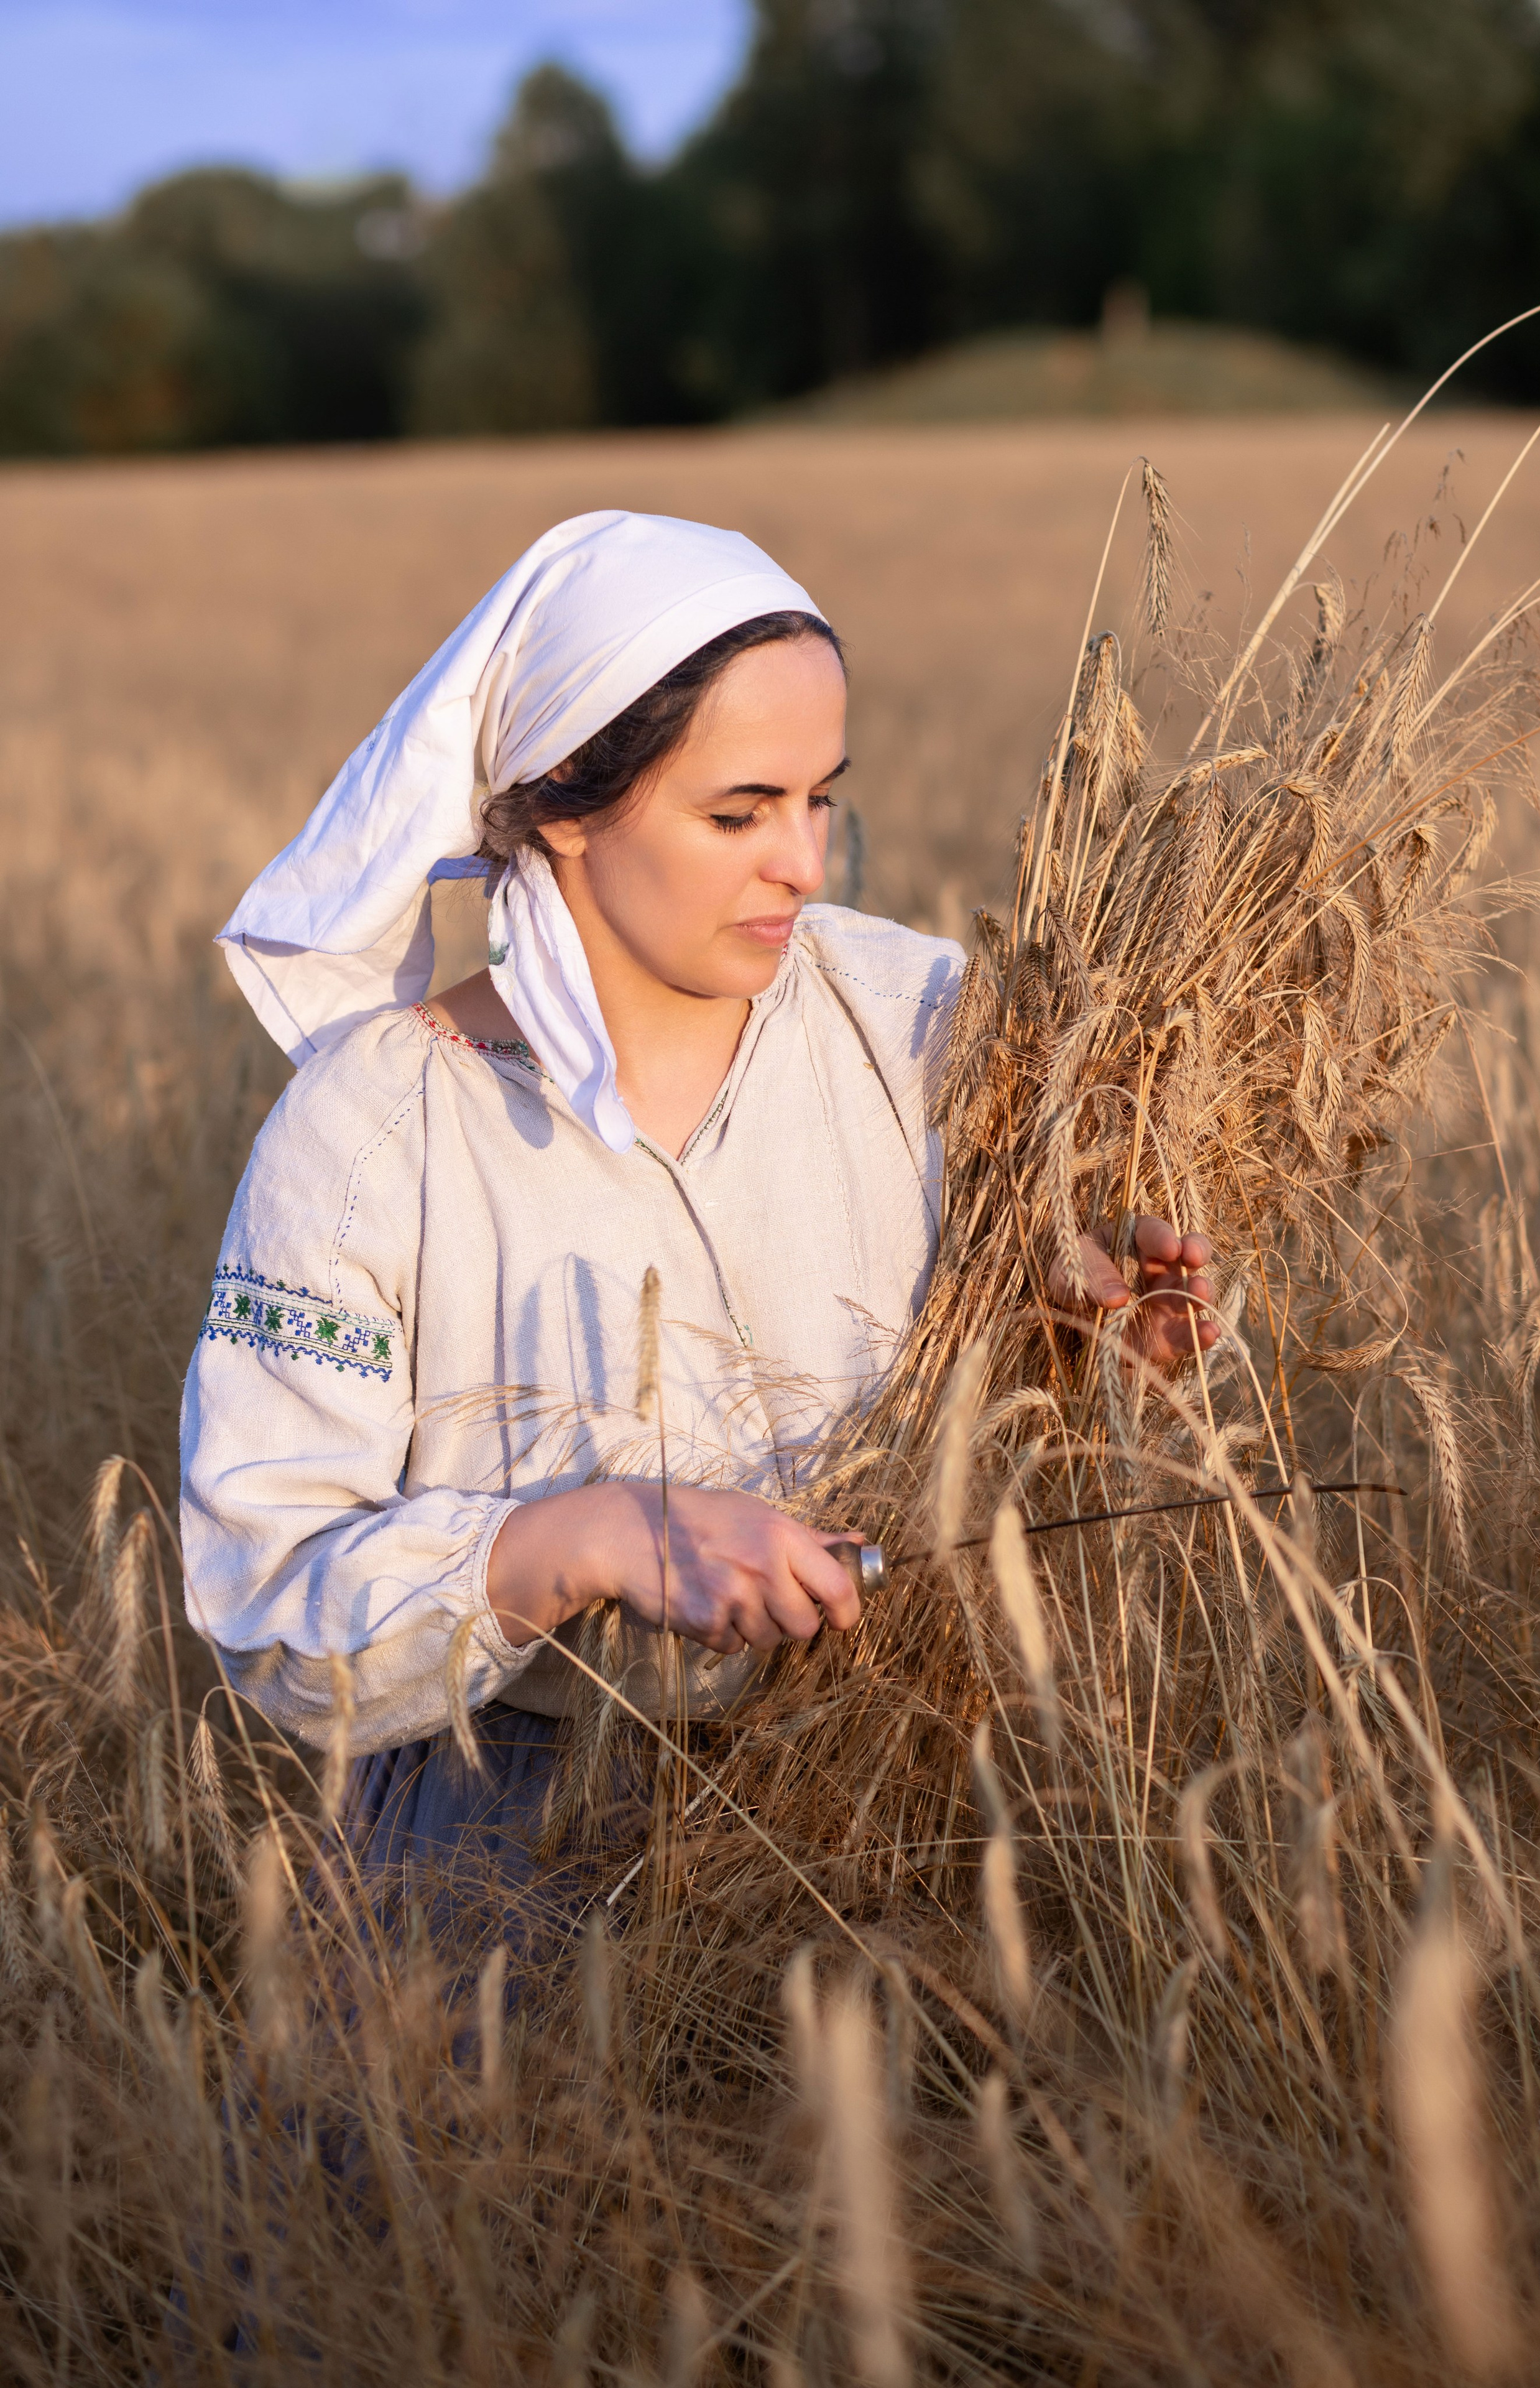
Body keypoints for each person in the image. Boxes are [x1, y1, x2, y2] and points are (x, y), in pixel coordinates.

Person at [179, 510, 1218, 1924]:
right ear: (557, 803)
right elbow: (271, 1600)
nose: (802, 861)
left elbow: (975, 1334)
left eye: (820, 798)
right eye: (738, 813)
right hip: (506, 1844)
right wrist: (582, 1542)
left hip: (906, 1782)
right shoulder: (368, 1130)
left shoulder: (909, 1013)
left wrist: (1059, 1322)